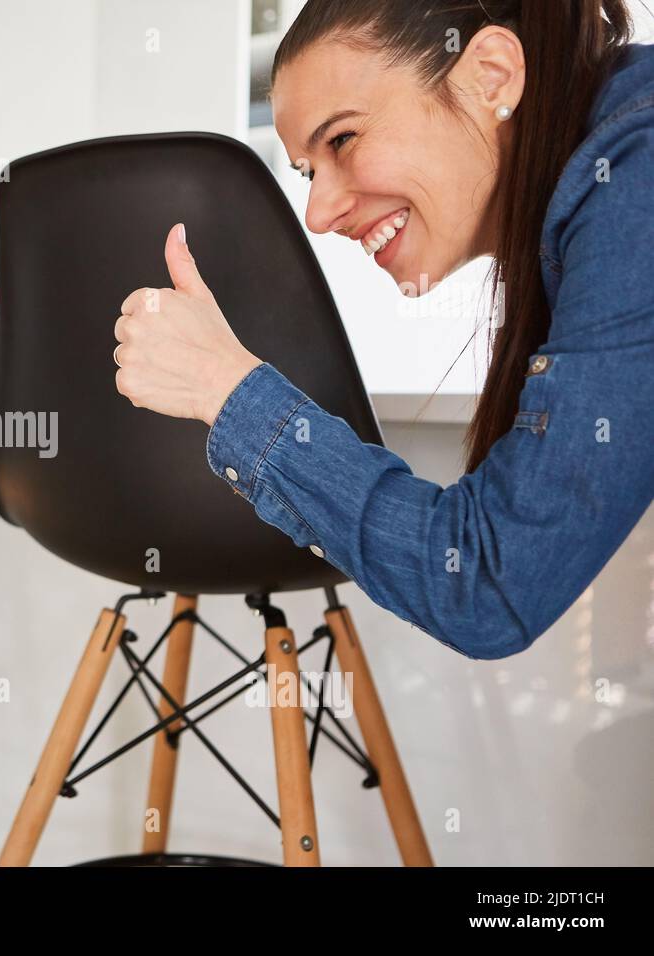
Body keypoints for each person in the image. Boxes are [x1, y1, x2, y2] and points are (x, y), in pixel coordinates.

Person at [113, 0, 653, 659]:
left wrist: (225, 388)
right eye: (309, 171)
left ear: (490, 76)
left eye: (341, 140)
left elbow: (488, 583)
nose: (317, 213)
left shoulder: (638, 175)